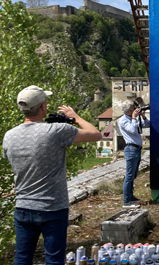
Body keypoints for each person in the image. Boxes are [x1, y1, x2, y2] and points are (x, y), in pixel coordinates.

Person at [2, 85, 102, 264]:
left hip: (23, 206)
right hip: (52, 207)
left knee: (22, 258)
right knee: (54, 259)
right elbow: (96, 134)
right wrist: (76, 117)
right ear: (42, 107)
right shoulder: (56, 131)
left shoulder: (9, 136)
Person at [118, 100, 150, 208]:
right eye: (132, 108)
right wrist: (134, 117)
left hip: (136, 149)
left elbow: (146, 125)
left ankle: (131, 197)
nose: (134, 110)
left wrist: (143, 116)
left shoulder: (133, 119)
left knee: (133, 175)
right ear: (128, 111)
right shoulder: (123, 120)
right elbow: (132, 130)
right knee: (129, 176)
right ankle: (126, 201)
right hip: (131, 149)